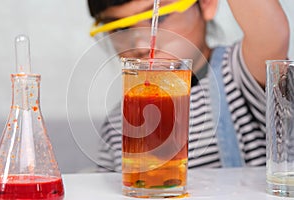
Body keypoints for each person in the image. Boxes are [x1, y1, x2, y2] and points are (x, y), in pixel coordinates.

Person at [87, 0, 289, 172]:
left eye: (159, 18)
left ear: (206, 3)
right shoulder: (117, 126)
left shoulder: (238, 73)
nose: (140, 45)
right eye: (120, 28)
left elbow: (273, 35)